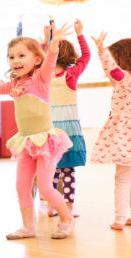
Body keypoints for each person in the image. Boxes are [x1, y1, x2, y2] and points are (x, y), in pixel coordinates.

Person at [0, 23, 75, 240]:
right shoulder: (14, 85)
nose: (15, 61)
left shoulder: (40, 80)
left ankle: (66, 218)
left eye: (21, 55)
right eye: (11, 57)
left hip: (46, 142)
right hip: (26, 143)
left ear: (36, 59)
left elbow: (50, 61)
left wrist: (53, 44)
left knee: (44, 186)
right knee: (21, 186)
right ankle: (28, 227)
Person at [90, 33, 131, 230]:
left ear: (124, 60)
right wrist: (104, 57)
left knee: (123, 179)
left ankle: (119, 218)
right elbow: (112, 74)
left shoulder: (126, 79)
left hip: (129, 134)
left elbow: (114, 72)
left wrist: (102, 52)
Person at [44, 18, 90, 218]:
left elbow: (39, 58)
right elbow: (86, 56)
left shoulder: (42, 75)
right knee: (69, 171)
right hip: (70, 129)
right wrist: (80, 33)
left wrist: (47, 40)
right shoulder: (70, 75)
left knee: (51, 169)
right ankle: (68, 207)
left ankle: (52, 206)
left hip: (50, 127)